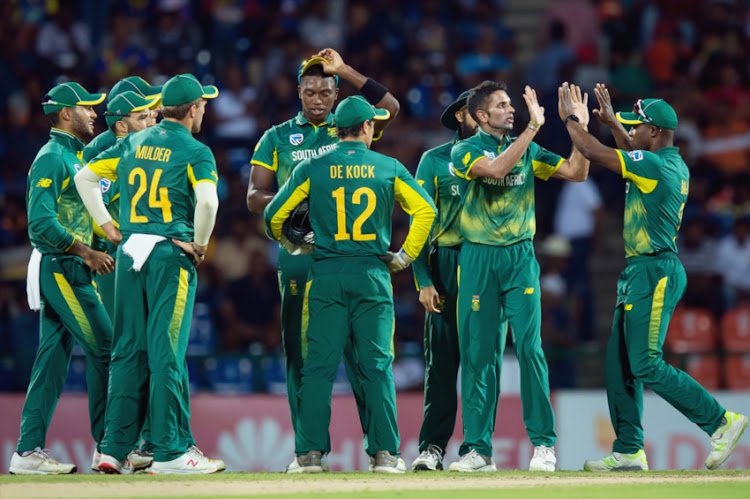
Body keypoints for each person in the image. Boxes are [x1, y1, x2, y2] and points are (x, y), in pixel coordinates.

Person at [558, 82, 748, 471]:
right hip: (641, 270)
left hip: (654, 270)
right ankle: (629, 450)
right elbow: (633, 150)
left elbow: (594, 152)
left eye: (637, 127)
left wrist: (573, 121)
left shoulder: (657, 165)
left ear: (655, 133)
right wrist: (613, 121)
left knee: (645, 363)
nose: (633, 132)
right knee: (619, 363)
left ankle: (721, 422)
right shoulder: (669, 162)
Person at [264, 95, 436, 474]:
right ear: (367, 128)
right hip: (372, 275)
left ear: (337, 129)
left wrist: (295, 244)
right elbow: (426, 210)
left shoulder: (312, 166)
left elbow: (273, 215)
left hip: (326, 273)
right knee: (376, 366)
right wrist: (404, 257)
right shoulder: (388, 166)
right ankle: (386, 455)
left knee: (318, 368)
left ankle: (309, 456)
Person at [247, 48, 400, 471]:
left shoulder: (350, 128)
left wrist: (347, 70)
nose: (318, 99)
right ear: (298, 92)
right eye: (310, 91)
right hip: (301, 258)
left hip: (348, 255)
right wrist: (297, 203)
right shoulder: (276, 137)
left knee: (363, 357)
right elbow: (253, 196)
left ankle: (379, 449)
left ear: (336, 94)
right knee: (303, 357)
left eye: (326, 91)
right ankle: (308, 450)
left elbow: (390, 107)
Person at [75, 73, 223, 474]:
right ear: (192, 109)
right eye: (203, 105)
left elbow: (84, 178)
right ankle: (172, 451)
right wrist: (202, 244)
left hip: (128, 253)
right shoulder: (196, 150)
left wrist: (106, 224)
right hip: (167, 255)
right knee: (166, 352)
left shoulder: (132, 142)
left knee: (126, 351)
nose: (205, 110)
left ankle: (112, 450)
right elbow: (207, 202)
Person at [448, 81, 590, 473]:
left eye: (512, 105)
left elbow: (577, 172)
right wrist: (532, 129)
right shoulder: (465, 150)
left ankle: (544, 445)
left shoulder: (527, 148)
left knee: (530, 348)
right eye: (502, 106)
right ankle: (478, 450)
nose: (512, 110)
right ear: (481, 116)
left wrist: (578, 128)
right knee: (479, 356)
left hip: (519, 257)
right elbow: (495, 168)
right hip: (477, 258)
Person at [9, 82, 113, 475]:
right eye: (86, 108)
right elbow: (39, 223)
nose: (93, 113)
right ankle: (108, 446)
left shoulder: (76, 156)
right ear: (66, 114)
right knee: (106, 347)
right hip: (63, 267)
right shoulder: (53, 157)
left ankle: (27, 452)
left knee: (51, 361)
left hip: (68, 267)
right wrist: (85, 250)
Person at [409, 89, 477, 472]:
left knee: (482, 362)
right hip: (447, 264)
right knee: (441, 366)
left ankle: (476, 448)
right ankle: (432, 448)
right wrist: (423, 279)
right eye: (481, 109)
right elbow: (421, 222)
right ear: (465, 115)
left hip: (487, 261)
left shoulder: (504, 158)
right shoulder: (434, 161)